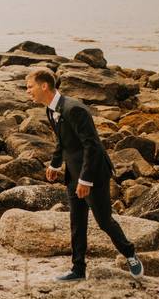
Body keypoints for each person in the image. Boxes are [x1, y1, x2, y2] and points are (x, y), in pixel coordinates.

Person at [25, 68, 143, 281]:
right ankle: (78, 269)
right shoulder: (51, 110)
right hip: (73, 173)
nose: (28, 92)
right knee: (77, 222)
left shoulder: (74, 109)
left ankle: (130, 253)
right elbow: (63, 141)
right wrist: (55, 165)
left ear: (44, 86)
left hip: (94, 174)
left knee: (104, 221)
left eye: (30, 87)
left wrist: (85, 179)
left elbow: (93, 146)